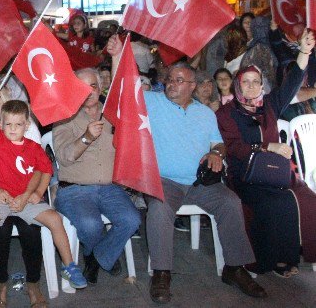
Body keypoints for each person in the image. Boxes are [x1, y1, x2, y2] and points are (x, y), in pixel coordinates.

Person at [107, 35, 266, 303]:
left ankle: (235, 268)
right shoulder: (153, 102)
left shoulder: (204, 113)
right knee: (158, 208)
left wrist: (216, 153)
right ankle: (161, 273)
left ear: (193, 86)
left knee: (230, 202)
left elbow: (218, 144)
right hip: (164, 181)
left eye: (179, 80)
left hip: (200, 182)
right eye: (169, 79)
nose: (171, 84)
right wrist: (115, 57)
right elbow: (121, 91)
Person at [0, 96, 87, 297]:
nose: (12, 129)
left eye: (18, 124)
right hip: (1, 199)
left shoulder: (34, 147)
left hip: (27, 200)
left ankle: (69, 265)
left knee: (55, 219)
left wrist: (38, 193)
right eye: (8, 124)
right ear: (1, 124)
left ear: (26, 125)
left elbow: (46, 171)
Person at [216, 28, 316, 277]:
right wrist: (265, 147)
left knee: (306, 199)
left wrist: (304, 52)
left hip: (277, 174)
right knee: (273, 204)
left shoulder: (270, 104)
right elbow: (234, 148)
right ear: (238, 84)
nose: (251, 87)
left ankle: (291, 257)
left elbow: (292, 83)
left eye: (255, 82)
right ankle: (271, 261)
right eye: (245, 82)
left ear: (262, 85)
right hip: (245, 176)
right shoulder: (227, 113)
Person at [53, 68, 141, 284]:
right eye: (80, 87)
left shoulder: (114, 114)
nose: (87, 92)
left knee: (132, 220)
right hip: (74, 189)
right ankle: (104, 256)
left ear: (100, 88)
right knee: (91, 225)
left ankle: (97, 257)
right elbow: (64, 157)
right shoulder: (64, 116)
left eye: (92, 86)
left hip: (110, 188)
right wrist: (86, 138)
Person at [0, 80, 48, 308]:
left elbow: (38, 167)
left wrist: (28, 194)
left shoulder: (25, 126)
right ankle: (1, 282)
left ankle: (34, 283)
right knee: (0, 229)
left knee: (30, 229)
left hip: (26, 191)